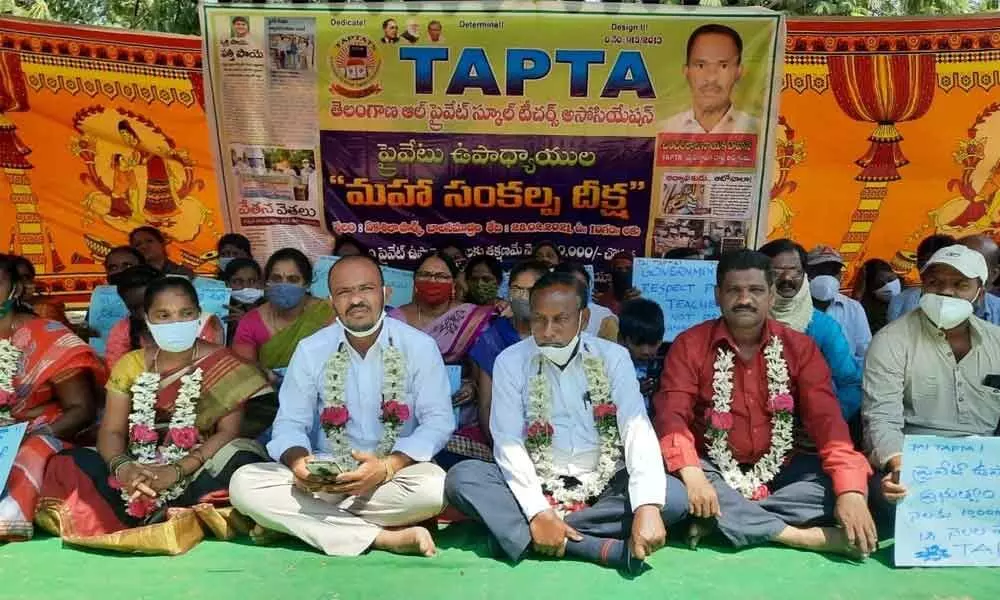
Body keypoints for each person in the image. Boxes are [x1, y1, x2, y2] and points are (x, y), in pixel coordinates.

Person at [445, 272, 687, 574]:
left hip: (605, 483)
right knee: (462, 479)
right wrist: (537, 511)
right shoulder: (510, 361)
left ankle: (527, 534)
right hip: (535, 482)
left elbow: (636, 429)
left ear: (583, 319)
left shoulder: (613, 357)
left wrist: (647, 506)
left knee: (674, 497)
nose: (547, 331)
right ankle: (590, 546)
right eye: (539, 319)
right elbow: (508, 442)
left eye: (560, 319)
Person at [655, 249, 876, 558]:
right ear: (718, 295)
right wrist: (693, 475)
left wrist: (851, 492)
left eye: (756, 290)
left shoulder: (800, 348)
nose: (745, 299)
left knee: (846, 490)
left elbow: (828, 423)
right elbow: (671, 418)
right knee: (673, 490)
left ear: (771, 296)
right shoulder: (690, 344)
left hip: (783, 469)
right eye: (734, 290)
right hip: (712, 466)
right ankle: (799, 536)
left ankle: (722, 519)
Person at [229, 255, 454, 557]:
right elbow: (289, 425)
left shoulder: (418, 347)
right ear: (331, 301)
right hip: (325, 479)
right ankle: (381, 538)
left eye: (366, 289)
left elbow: (438, 423)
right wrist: (299, 465)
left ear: (385, 294)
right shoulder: (311, 350)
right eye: (345, 292)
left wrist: (386, 467)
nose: (357, 299)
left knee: (435, 489)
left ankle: (299, 523)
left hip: (392, 476)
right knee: (244, 483)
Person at [39, 277, 274, 553]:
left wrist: (176, 470)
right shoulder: (132, 364)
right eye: (164, 315)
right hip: (136, 464)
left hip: (199, 466)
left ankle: (156, 513)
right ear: (146, 318)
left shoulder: (227, 363)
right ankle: (154, 512)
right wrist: (124, 467)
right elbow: (112, 430)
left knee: (242, 457)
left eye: (185, 314)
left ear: (199, 315)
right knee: (67, 462)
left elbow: (228, 432)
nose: (176, 322)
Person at [862, 245, 1000, 526]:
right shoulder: (891, 341)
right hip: (914, 461)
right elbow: (881, 417)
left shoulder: (997, 342)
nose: (946, 292)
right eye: (935, 283)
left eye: (960, 285)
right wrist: (900, 468)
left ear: (980, 292)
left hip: (984, 464)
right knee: (893, 500)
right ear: (922, 288)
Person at [0, 254, 105, 541]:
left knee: (32, 448)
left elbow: (81, 409)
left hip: (41, 432)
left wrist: (21, 436)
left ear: (16, 289)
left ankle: (10, 515)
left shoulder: (50, 335)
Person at [759, 239, 862, 421]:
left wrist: (824, 420)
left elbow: (850, 383)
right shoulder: (746, 322)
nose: (787, 278)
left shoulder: (823, 327)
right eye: (776, 271)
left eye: (795, 271)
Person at [461, 261, 550, 460]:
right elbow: (486, 406)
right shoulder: (493, 337)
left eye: (530, 290)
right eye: (517, 289)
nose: (522, 296)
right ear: (508, 291)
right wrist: (503, 452)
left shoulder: (557, 336)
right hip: (504, 438)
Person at [233, 248, 333, 384]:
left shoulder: (326, 313)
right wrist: (264, 374)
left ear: (307, 284)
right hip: (267, 399)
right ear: (266, 282)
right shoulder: (250, 322)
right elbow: (244, 371)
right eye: (276, 279)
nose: (283, 285)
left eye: (293, 279)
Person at [105, 266, 224, 370]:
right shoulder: (123, 331)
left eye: (146, 305)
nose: (142, 313)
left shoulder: (204, 324)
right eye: (135, 308)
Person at [658, 24, 758, 135]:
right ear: (686, 71)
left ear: (739, 72)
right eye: (701, 65)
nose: (711, 78)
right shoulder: (665, 129)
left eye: (723, 66)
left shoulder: (757, 129)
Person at [806, 245, 872, 367]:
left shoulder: (853, 308)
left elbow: (864, 354)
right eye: (821, 271)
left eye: (833, 272)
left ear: (840, 276)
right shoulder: (794, 307)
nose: (827, 277)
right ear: (806, 274)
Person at [887, 234, 956, 322]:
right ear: (917, 264)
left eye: (937, 263)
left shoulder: (966, 300)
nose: (930, 270)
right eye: (924, 263)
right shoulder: (901, 300)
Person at [617, 298, 665, 413]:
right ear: (621, 339)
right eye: (638, 343)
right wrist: (632, 390)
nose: (646, 351)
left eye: (653, 344)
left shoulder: (667, 366)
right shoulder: (612, 368)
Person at [554, 262, 618, 342]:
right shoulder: (543, 314)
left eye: (582, 286)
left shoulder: (605, 318)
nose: (577, 291)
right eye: (570, 286)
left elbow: (612, 352)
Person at [957, 234, 1000, 325]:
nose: (961, 272)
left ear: (994, 274)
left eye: (973, 267)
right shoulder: (921, 302)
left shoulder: (997, 313)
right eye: (956, 264)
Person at [222, 258, 265, 347]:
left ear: (260, 284)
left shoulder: (271, 309)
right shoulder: (221, 308)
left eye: (252, 281)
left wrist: (248, 323)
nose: (245, 287)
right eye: (238, 281)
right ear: (227, 284)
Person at [853, 258, 900, 335]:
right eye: (880, 284)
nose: (888, 286)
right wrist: (857, 295)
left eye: (890, 279)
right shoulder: (866, 311)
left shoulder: (914, 296)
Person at [129, 226, 194, 278]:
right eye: (137, 245)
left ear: (162, 243)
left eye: (149, 241)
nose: (144, 246)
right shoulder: (133, 278)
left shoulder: (183, 272)